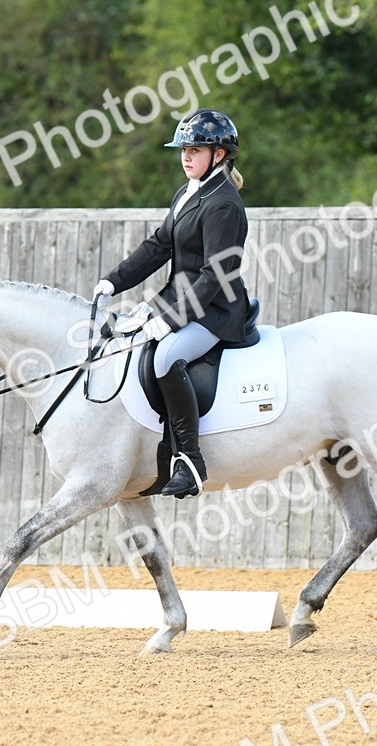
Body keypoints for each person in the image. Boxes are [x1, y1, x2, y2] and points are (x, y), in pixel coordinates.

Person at [92, 109, 250, 499]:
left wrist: (171, 320)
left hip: (217, 311)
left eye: (194, 149)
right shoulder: (188, 192)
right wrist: (113, 280)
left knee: (165, 357)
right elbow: (159, 246)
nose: (185, 156)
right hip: (179, 299)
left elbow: (216, 274)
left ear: (220, 154)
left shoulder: (223, 204)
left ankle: (191, 460)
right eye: (183, 149)